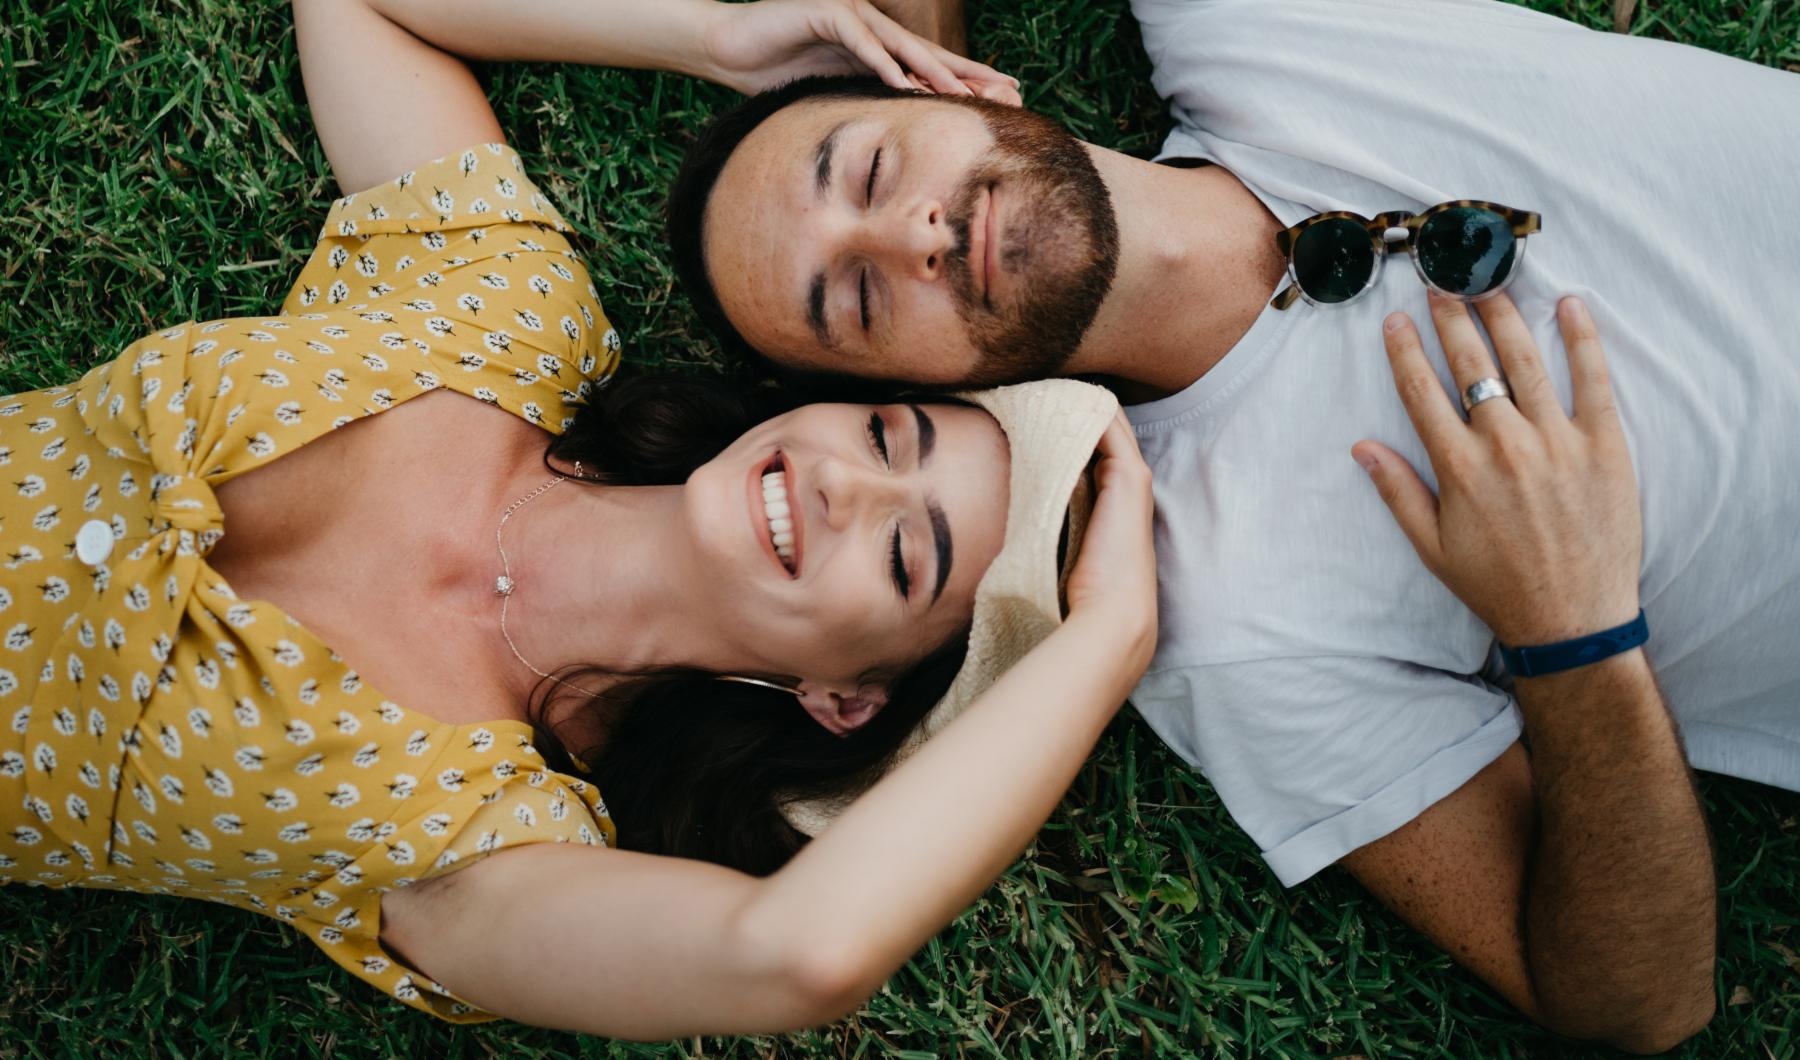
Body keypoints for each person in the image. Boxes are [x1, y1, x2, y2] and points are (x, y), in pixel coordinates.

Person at [0, 0, 1161, 1038]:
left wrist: (1104, 645)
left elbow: (796, 956)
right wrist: (712, 38)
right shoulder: (511, 321)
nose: (843, 489)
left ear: (843, 697)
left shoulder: (481, 841)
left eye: (906, 555)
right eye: (881, 437)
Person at [658, 0, 1800, 1050]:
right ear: (915, 393)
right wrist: (1576, 628)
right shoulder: (1232, 606)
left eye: (871, 167)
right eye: (859, 300)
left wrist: (711, 38)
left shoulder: (1252, 27)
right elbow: (1636, 1002)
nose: (915, 238)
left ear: (955, 87)